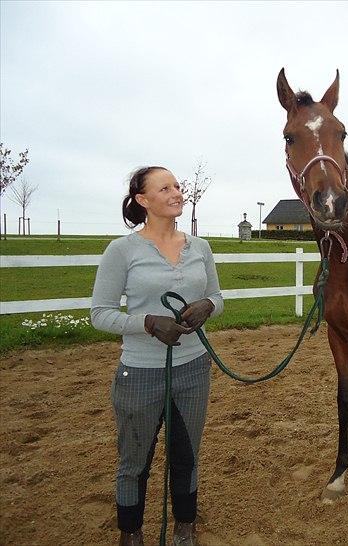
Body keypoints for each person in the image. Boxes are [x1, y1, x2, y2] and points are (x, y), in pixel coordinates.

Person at [91, 166, 223, 546]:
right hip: (141, 372)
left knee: (187, 454)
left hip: (194, 369)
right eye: (165, 188)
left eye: (178, 186)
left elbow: (217, 298)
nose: (177, 192)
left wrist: (207, 308)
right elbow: (100, 314)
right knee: (134, 462)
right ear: (143, 201)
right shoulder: (122, 250)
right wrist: (147, 323)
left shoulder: (199, 247)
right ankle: (130, 534)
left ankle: (184, 528)